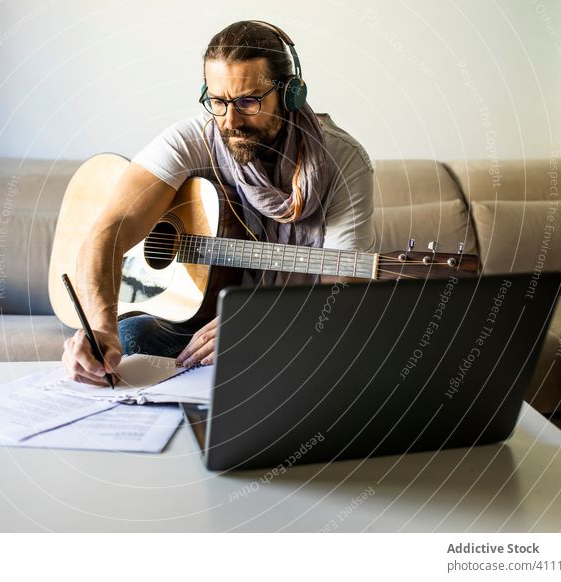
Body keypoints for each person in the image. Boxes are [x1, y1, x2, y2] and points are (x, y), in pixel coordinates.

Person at [62, 20, 375, 386]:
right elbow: (109, 230)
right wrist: (101, 326)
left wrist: (255, 322)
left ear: (291, 94)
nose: (230, 120)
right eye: (218, 101)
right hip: (196, 325)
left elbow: (342, 293)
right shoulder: (194, 139)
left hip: (292, 326)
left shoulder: (344, 160)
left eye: (248, 101)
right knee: (131, 338)